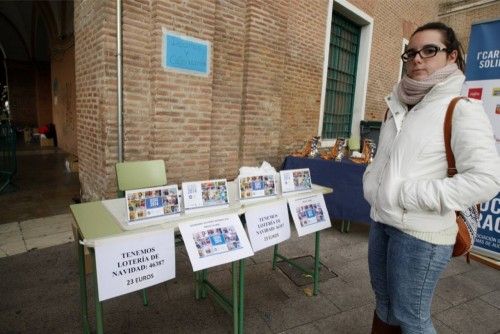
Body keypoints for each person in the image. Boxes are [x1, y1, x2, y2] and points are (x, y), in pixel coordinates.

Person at [362, 22, 500, 334]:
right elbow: (385, 162)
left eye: (429, 50)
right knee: (383, 305)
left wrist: (408, 195)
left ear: (451, 56)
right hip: (382, 223)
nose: (417, 59)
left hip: (421, 235)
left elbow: (487, 179)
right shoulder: (396, 106)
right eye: (411, 53)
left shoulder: (460, 108)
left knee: (412, 318)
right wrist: (372, 183)